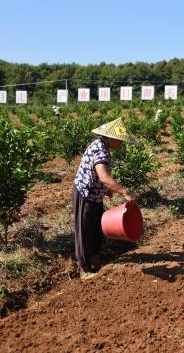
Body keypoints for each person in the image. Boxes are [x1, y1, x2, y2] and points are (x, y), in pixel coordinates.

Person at [72, 117, 136, 276]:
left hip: (94, 195)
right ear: (111, 138)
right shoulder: (100, 150)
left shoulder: (101, 146)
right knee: (85, 231)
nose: (121, 144)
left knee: (95, 228)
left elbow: (98, 176)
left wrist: (105, 189)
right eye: (120, 140)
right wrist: (124, 192)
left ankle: (95, 261)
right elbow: (103, 176)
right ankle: (84, 269)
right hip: (85, 195)